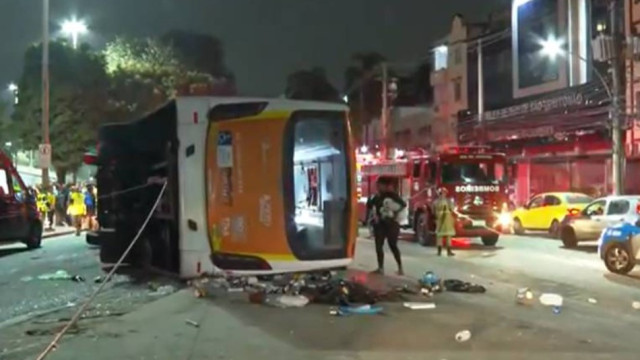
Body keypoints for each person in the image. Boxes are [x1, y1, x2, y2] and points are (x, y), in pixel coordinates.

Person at [366, 177, 406, 275]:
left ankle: (400, 268)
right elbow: (369, 205)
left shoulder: (391, 195)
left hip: (391, 224)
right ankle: (380, 268)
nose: (378, 187)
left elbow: (403, 204)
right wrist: (370, 199)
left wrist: (394, 215)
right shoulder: (377, 196)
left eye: (379, 185)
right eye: (377, 185)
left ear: (385, 186)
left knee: (393, 245)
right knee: (378, 246)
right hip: (380, 224)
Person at [433, 187, 455, 257]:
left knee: (440, 235)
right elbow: (452, 209)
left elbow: (433, 211)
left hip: (440, 219)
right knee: (448, 236)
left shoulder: (435, 202)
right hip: (447, 219)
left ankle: (439, 252)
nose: (443, 194)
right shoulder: (448, 201)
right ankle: (449, 252)